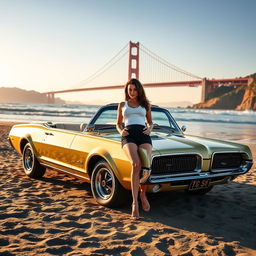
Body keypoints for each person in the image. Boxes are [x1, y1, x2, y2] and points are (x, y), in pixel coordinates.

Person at [116, 78, 153, 220]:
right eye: (129, 89)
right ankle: (134, 203)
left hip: (143, 135)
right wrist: (121, 132)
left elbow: (150, 122)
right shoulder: (122, 105)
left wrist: (149, 129)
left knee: (146, 167)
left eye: (135, 89)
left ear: (139, 90)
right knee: (135, 164)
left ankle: (143, 194)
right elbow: (118, 123)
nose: (132, 92)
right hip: (129, 135)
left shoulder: (146, 104)